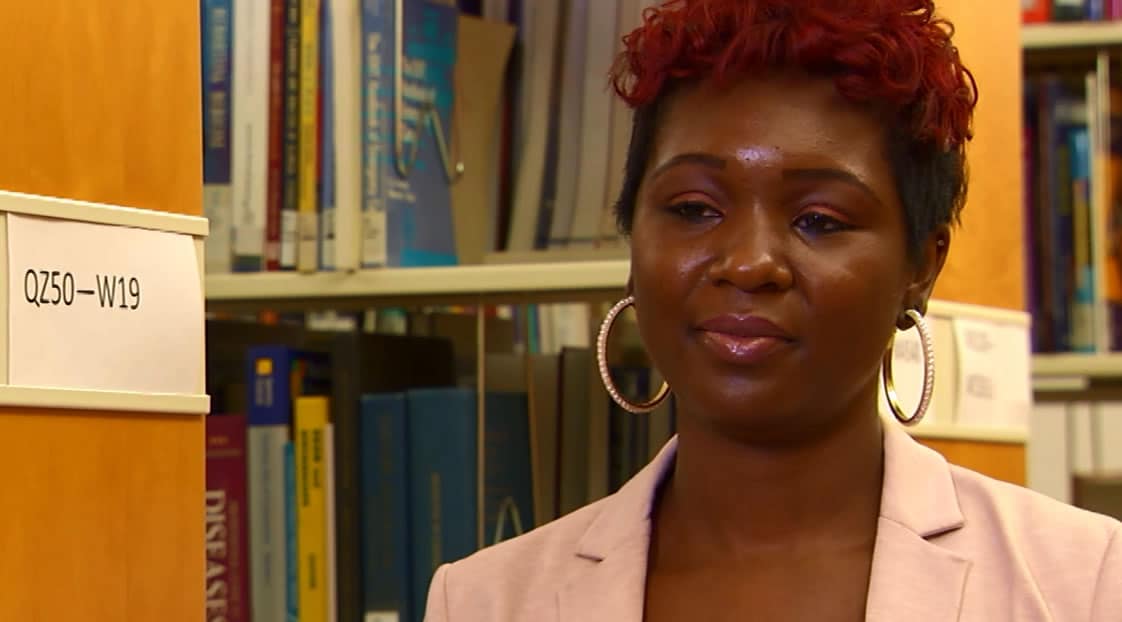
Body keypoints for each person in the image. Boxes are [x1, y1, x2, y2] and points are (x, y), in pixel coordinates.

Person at [424, 0, 1122, 619]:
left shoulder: (1085, 585)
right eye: (694, 209)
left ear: (922, 265)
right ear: (632, 237)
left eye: (820, 219)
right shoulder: (485, 600)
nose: (749, 263)